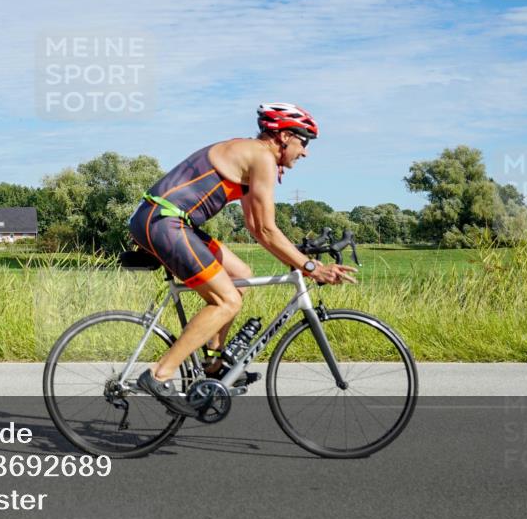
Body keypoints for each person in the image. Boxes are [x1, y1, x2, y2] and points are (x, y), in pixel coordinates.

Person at [128, 103, 357, 415]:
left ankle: (212, 365)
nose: (306, 153)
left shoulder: (255, 156)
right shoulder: (261, 156)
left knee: (240, 273)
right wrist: (311, 267)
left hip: (166, 220)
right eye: (305, 143)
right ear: (286, 137)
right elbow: (266, 228)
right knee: (227, 302)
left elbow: (256, 228)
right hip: (165, 222)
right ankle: (159, 375)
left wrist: (297, 259)